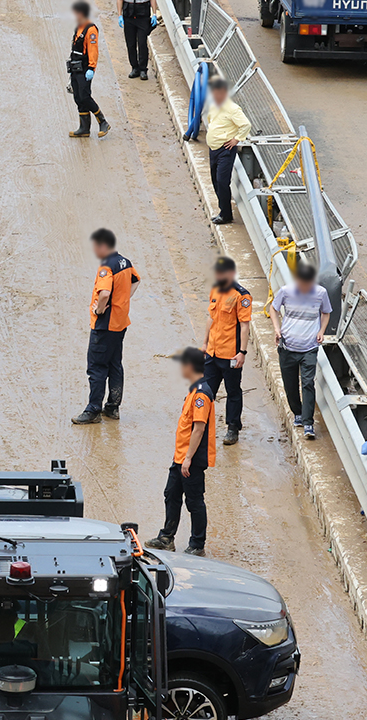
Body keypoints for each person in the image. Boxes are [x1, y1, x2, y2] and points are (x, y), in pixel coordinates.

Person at [146, 347, 216, 557]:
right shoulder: (194, 390)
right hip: (181, 458)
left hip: (191, 460)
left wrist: (187, 459)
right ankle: (166, 536)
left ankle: (197, 544)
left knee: (194, 501)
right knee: (172, 495)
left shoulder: (201, 394)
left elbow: (199, 428)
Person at [73, 229, 140, 424]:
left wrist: (99, 310)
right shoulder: (125, 262)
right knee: (114, 365)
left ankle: (93, 409)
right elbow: (136, 280)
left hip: (105, 326)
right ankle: (112, 407)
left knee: (96, 367)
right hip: (120, 324)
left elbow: (103, 293)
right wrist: (123, 300)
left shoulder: (106, 267)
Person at [270, 263, 332, 440]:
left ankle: (308, 423)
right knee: (290, 384)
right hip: (288, 346)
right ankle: (297, 412)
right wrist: (276, 329)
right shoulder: (286, 291)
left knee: (307, 384)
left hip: (309, 348)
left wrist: (321, 331)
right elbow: (273, 309)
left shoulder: (320, 293)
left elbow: (326, 312)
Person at [201, 256, 251, 445]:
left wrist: (242, 352)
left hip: (230, 354)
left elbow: (244, 326)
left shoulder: (241, 296)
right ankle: (202, 425)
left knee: (233, 391)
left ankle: (232, 427)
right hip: (212, 352)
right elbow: (211, 318)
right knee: (206, 390)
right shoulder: (216, 289)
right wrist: (205, 343)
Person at [205, 77, 251, 224]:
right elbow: (211, 121)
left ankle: (226, 214)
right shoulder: (214, 105)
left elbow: (245, 125)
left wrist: (236, 139)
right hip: (213, 148)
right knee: (215, 180)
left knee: (222, 181)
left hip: (225, 150)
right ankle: (222, 209)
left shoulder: (233, 109)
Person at [67, 2, 110, 139]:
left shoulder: (90, 30)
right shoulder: (78, 28)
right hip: (75, 68)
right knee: (78, 97)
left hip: (85, 69)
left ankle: (103, 121)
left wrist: (91, 68)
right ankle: (84, 128)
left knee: (85, 96)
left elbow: (93, 51)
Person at [119, 0, 154, 81]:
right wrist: (119, 15)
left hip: (143, 15)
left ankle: (143, 69)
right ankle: (135, 68)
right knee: (130, 44)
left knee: (142, 43)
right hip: (129, 16)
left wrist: (154, 13)